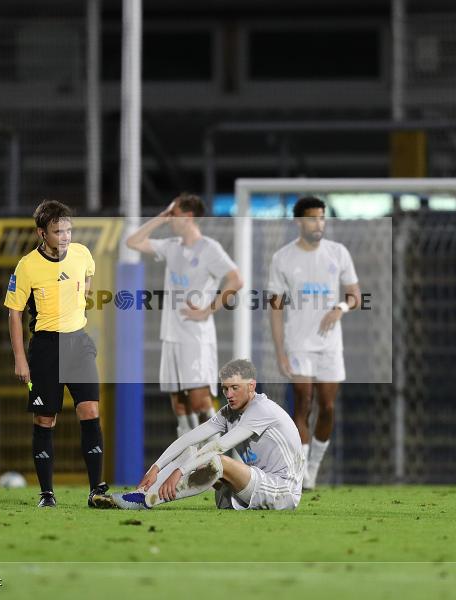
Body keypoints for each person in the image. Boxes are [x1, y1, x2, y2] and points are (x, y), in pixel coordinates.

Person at [4, 200, 114, 508]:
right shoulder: (27, 266)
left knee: (90, 411)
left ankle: (96, 490)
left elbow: (88, 277)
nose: (65, 236)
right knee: (45, 418)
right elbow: (14, 313)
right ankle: (47, 494)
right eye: (58, 231)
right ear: (42, 233)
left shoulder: (81, 254)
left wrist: (82, 296)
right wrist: (20, 359)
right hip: (45, 348)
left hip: (78, 343)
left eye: (68, 230)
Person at [112, 358, 305, 511]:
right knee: (191, 453)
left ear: (252, 386)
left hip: (283, 490)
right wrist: (155, 467)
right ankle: (141, 493)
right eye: (225, 388)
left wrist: (179, 472)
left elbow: (218, 447)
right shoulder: (229, 412)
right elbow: (189, 438)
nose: (229, 394)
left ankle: (148, 500)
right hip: (257, 483)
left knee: (217, 461)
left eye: (235, 388)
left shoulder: (262, 410)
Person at [125, 193, 243, 438]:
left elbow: (236, 279)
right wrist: (161, 217)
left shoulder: (209, 248)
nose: (170, 219)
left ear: (188, 217)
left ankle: (224, 458)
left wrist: (208, 309)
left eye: (174, 214)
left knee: (200, 402)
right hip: (171, 335)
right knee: (179, 405)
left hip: (195, 337)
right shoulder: (171, 246)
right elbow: (133, 242)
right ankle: (191, 464)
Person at [267, 196, 361, 489]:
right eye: (312, 218)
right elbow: (276, 308)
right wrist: (280, 351)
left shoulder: (338, 253)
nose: (318, 223)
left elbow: (355, 295)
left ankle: (314, 468)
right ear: (299, 221)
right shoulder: (282, 258)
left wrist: (340, 309)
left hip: (329, 345)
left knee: (328, 406)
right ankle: (301, 474)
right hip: (298, 344)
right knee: (303, 403)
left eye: (321, 218)